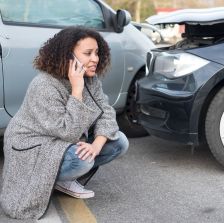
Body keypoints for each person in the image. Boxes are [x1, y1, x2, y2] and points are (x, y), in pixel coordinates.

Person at [0, 26, 129, 219]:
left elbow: (107, 112)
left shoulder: (92, 81)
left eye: (97, 53)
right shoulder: (44, 85)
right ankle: (58, 179)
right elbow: (67, 132)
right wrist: (77, 90)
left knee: (119, 142)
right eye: (88, 53)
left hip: (62, 140)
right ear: (68, 56)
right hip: (33, 145)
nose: (95, 59)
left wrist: (96, 144)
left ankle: (63, 178)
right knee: (82, 160)